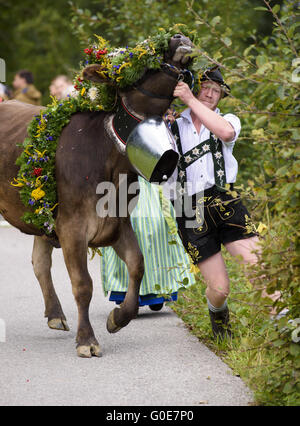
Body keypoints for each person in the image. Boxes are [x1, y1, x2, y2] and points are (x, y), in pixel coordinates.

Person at [168, 67, 261, 339]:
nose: (210, 93)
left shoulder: (227, 119)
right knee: (219, 289)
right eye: (205, 86)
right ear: (194, 86)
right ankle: (218, 316)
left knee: (260, 267)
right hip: (187, 208)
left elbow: (225, 133)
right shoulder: (170, 124)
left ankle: (288, 331)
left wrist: (189, 100)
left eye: (216, 91)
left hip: (225, 199)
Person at [100, 176, 195, 311]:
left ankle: (157, 292)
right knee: (127, 229)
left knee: (157, 228)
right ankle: (128, 293)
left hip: (151, 178)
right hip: (124, 180)